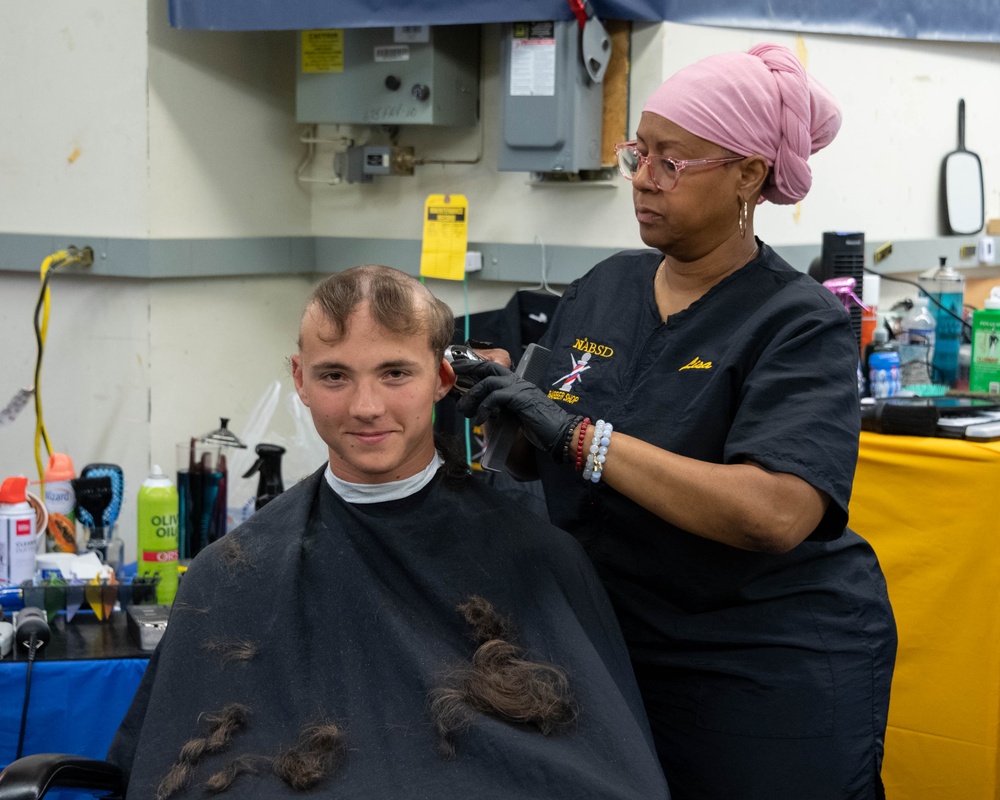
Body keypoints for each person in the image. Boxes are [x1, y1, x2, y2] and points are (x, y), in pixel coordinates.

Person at [454, 44, 896, 800]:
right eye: (639, 153)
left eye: (672, 161)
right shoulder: (605, 287)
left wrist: (578, 437)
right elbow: (538, 460)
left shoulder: (799, 322)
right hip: (612, 640)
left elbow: (775, 513)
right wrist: (498, 397)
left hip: (757, 657)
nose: (643, 179)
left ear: (749, 175)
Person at [106, 265, 671, 799]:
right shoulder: (231, 570)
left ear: (444, 377)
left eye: (395, 373)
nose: (366, 406)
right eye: (335, 376)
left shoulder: (537, 558)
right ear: (300, 380)